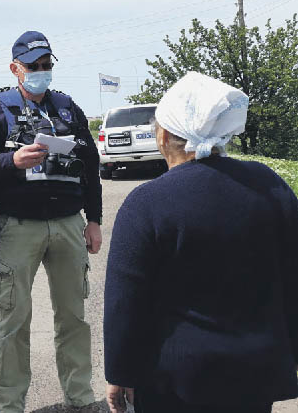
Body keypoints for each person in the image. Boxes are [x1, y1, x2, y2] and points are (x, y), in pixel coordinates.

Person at [104, 72, 298, 413]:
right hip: (254, 374)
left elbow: (126, 301)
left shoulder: (147, 202)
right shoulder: (269, 186)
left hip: (175, 381)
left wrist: (120, 373)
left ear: (163, 135)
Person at [0, 31, 103, 413]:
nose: (42, 72)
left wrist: (95, 220)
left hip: (68, 224)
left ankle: (80, 398)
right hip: (18, 226)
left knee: (74, 316)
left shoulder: (68, 109)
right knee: (14, 318)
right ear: (16, 68)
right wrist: (12, 161)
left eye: (47, 65)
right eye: (34, 66)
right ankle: (10, 405)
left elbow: (91, 167)